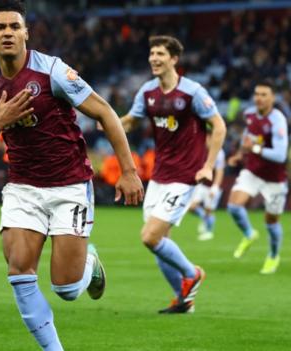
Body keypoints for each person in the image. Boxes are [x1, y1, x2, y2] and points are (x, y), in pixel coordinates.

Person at [0, 1, 143, 350]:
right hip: (22, 188)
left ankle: (90, 263)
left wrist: (129, 171)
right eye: (0, 28)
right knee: (20, 274)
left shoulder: (52, 71)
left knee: (67, 289)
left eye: (15, 26)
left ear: (26, 32)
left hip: (69, 185)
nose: (8, 33)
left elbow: (105, 112)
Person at [120, 35, 226, 314]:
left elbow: (219, 126)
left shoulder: (192, 92)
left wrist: (208, 165)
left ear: (174, 60)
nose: (154, 58)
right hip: (158, 177)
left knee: (150, 237)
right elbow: (130, 121)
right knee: (158, 244)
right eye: (152, 53)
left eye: (160, 54)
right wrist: (108, 121)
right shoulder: (147, 92)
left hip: (185, 176)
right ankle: (184, 301)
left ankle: (193, 273)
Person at [226, 81, 287, 274]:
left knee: (271, 221)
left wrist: (254, 149)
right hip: (253, 170)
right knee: (234, 206)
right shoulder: (249, 114)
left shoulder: (278, 120)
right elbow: (248, 135)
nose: (259, 98)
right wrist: (240, 154)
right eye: (257, 94)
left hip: (275, 178)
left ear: (273, 98)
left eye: (264, 94)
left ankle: (273, 255)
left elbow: (280, 155)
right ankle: (249, 234)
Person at [188, 134, 226, 241]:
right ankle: (206, 219)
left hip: (212, 186)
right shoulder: (202, 150)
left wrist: (215, 187)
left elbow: (220, 171)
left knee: (209, 210)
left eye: (208, 139)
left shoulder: (219, 153)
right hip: (202, 185)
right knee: (191, 207)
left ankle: (209, 232)